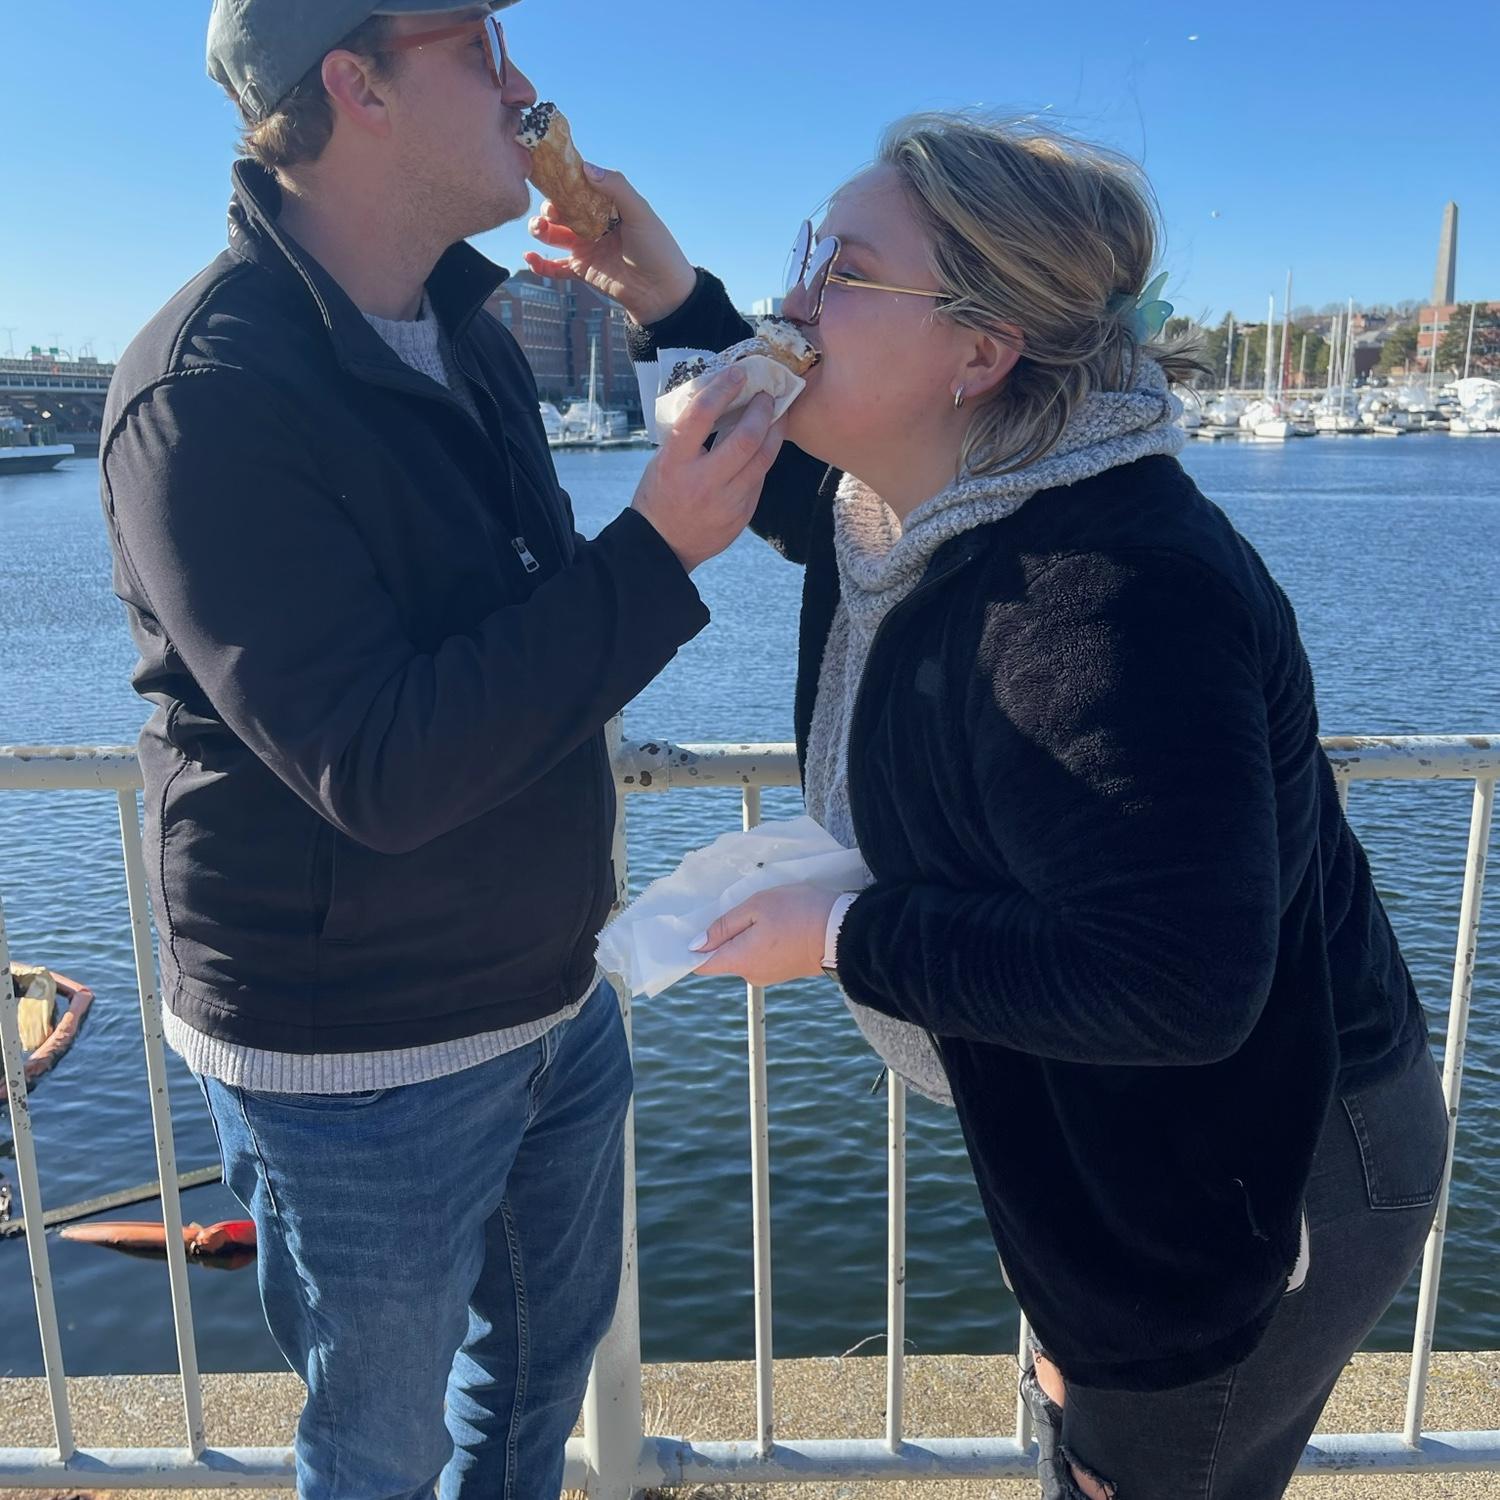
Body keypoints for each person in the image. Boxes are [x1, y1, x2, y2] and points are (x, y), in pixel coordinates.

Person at [528, 113, 1449, 1500]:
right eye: (802, 256)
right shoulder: (902, 503)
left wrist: (847, 939)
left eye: (842, 270)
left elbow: (1179, 986)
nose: (794, 304)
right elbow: (779, 485)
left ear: (980, 348)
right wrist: (661, 286)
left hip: (1269, 1181)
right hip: (1129, 1153)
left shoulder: (1114, 599)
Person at [98, 4, 781, 1495]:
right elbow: (381, 766)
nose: (527, 84)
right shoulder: (203, 394)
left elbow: (512, 646)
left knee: (529, 1401)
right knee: (378, 1454)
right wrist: (659, 549)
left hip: (552, 1003)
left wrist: (676, 302)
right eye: (476, 41)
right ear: (356, 84)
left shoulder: (467, 332)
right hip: (349, 1071)